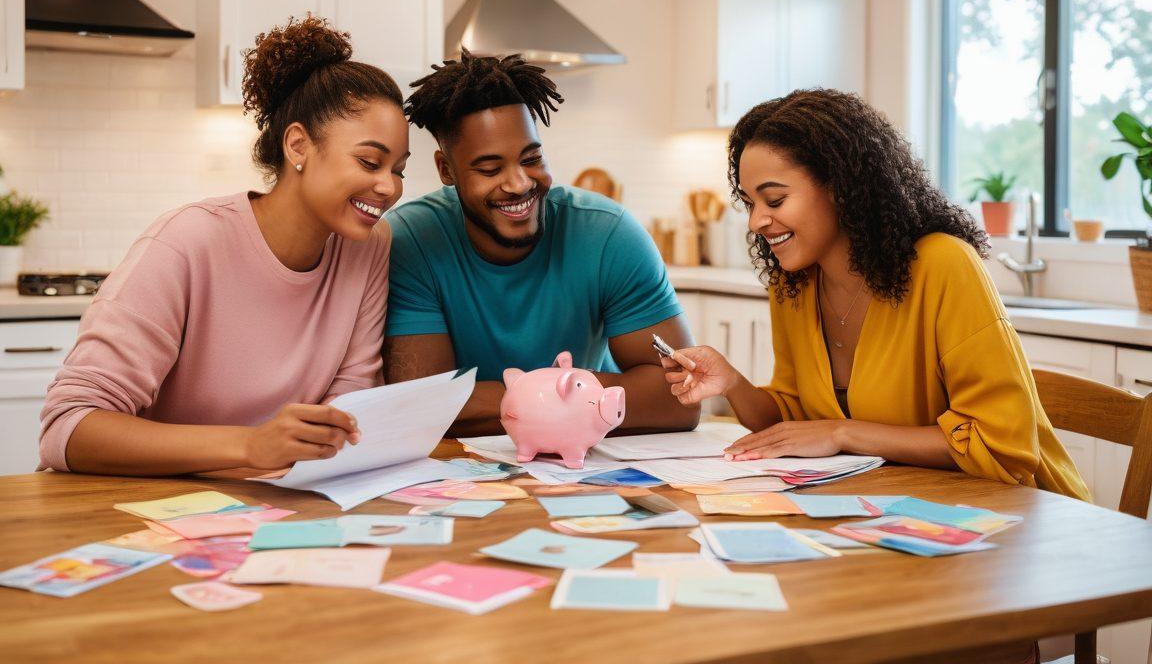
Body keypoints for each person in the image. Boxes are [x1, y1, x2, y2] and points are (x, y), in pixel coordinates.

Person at [660, 88, 1088, 501]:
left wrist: (843, 433)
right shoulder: (794, 286)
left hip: (1020, 520)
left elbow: (1001, 445)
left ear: (842, 187)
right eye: (749, 203)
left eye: (774, 199)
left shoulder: (942, 265)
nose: (757, 221)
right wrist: (731, 383)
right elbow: (792, 423)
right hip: (896, 509)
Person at [38, 16, 409, 476]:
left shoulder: (368, 247)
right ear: (298, 145)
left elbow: (350, 404)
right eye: (370, 161)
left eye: (398, 169)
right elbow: (69, 428)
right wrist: (252, 445)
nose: (388, 187)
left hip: (266, 504)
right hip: (139, 506)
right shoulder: (187, 242)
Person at [382, 50, 699, 436]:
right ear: (446, 170)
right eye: (490, 169)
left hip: (592, 457)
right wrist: (575, 398)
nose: (519, 183)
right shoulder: (412, 241)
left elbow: (679, 399)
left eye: (531, 159)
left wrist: (505, 399)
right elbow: (420, 406)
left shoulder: (609, 234)